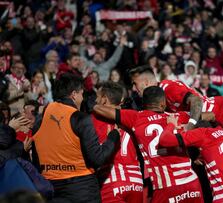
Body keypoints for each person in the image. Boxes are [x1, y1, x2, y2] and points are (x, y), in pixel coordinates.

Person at [93, 86, 204, 203]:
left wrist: (98, 105)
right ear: (163, 103)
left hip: (166, 187)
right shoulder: (178, 117)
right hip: (192, 184)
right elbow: (207, 113)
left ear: (144, 103)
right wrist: (191, 125)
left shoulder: (136, 117)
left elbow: (100, 110)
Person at [32, 73, 120, 202]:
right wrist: (113, 137)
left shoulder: (40, 119)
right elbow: (97, 159)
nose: (82, 98)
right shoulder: (80, 118)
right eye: (81, 94)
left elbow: (36, 160)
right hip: (82, 188)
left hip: (51, 188)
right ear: (74, 94)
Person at [92, 82, 143, 203]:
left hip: (111, 181)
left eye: (97, 97)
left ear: (104, 99)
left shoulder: (92, 120)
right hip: (136, 181)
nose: (95, 100)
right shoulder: (134, 116)